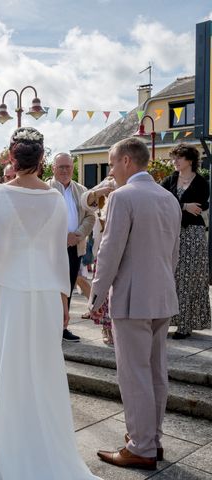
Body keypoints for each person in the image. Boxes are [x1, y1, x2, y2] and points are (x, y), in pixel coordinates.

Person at [0, 127, 100, 480]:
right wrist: (64, 298)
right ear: (43, 159)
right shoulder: (54, 198)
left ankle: (11, 454)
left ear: (11, 159)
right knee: (44, 369)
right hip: (46, 293)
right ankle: (48, 452)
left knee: (11, 369)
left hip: (14, 294)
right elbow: (60, 254)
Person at [89, 137, 180, 471]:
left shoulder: (122, 197)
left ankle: (140, 446)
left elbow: (109, 251)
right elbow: (173, 254)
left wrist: (96, 295)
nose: (111, 172)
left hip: (131, 298)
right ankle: (152, 441)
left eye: (112, 165)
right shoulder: (169, 198)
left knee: (134, 375)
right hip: (162, 296)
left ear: (127, 161)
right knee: (156, 372)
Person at [161, 144, 211, 339]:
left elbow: (201, 206)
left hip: (193, 234)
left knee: (189, 279)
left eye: (178, 158)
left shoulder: (201, 182)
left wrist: (181, 207)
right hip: (172, 233)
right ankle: (168, 320)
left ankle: (185, 325)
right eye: (174, 157)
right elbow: (161, 201)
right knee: (171, 277)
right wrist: (183, 205)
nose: (174, 161)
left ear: (189, 160)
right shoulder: (170, 180)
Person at [47, 153, 95, 342]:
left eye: (68, 166)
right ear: (53, 169)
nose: (65, 170)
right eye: (61, 167)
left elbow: (91, 217)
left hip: (75, 247)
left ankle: (63, 327)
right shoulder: (45, 189)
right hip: (51, 248)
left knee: (67, 286)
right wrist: (61, 236)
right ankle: (49, 326)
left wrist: (78, 234)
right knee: (51, 287)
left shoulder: (82, 190)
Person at [81, 178, 117, 345]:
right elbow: (85, 200)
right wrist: (101, 191)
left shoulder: (130, 186)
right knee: (103, 290)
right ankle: (106, 328)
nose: (111, 170)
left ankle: (116, 329)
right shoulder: (107, 184)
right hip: (103, 247)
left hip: (125, 250)